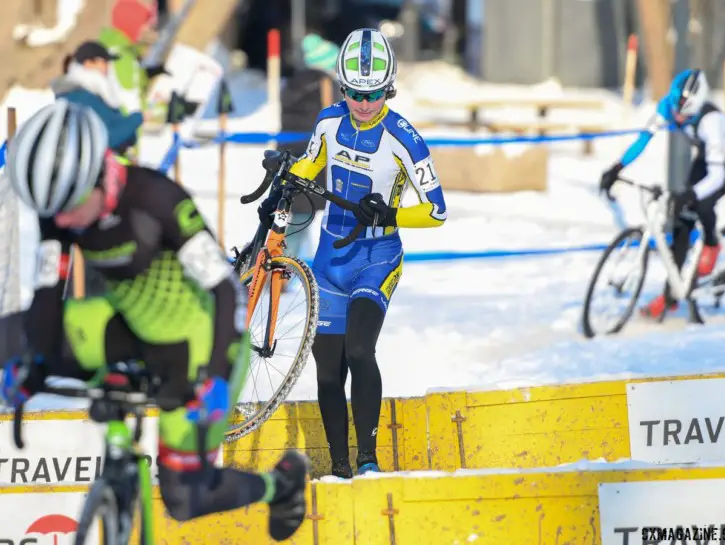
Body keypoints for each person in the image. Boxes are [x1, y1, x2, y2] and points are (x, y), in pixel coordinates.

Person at [0, 100, 308, 541]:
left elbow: (228, 293)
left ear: (96, 173)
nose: (62, 222)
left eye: (69, 208)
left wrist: (216, 379)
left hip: (200, 340)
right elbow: (49, 296)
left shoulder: (157, 199)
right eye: (53, 213)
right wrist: (33, 363)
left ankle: (281, 485)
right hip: (128, 325)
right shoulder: (61, 205)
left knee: (185, 499)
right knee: (9, 335)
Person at [258, 28, 447, 478]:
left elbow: (437, 211)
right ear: (343, 88)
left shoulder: (404, 137)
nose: (364, 103)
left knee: (360, 350)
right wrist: (286, 172)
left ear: (390, 87)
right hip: (330, 258)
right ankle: (340, 465)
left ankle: (367, 460)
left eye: (375, 93)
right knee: (327, 370)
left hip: (376, 256)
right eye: (355, 93)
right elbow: (311, 163)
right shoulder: (328, 121)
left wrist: (392, 215)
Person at [600, 68, 725, 318]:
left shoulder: (711, 123)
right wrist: (617, 167)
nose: (678, 118)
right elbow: (642, 140)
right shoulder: (668, 107)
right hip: (705, 158)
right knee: (681, 224)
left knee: (701, 202)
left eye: (685, 115)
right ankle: (671, 296)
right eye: (675, 113)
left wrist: (690, 196)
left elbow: (715, 178)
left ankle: (712, 243)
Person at [280, 31, 342, 261]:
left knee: (299, 215)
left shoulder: (295, 85)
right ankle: (286, 267)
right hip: (316, 160)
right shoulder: (324, 85)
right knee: (313, 217)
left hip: (294, 156)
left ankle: (289, 264)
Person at [51, 40, 144, 156]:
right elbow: (106, 140)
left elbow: (120, 130)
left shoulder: (95, 93)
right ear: (88, 63)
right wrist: (138, 118)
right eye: (104, 62)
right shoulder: (79, 98)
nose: (108, 67)